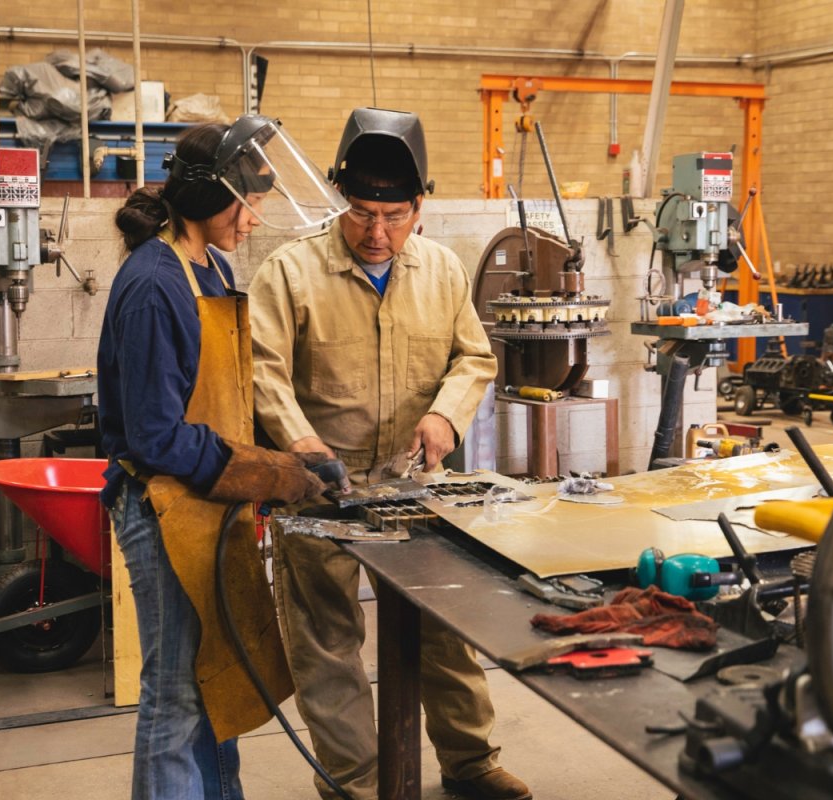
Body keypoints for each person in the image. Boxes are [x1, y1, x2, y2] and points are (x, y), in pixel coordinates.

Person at [250, 107, 532, 800]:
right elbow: (261, 369)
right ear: (342, 199)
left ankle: (469, 762)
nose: (377, 233)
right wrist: (299, 439)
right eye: (363, 213)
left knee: (443, 625)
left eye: (395, 215)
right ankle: (354, 779)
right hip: (321, 487)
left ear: (421, 208)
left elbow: (473, 358)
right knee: (326, 639)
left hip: (416, 484)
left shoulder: (440, 271)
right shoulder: (289, 273)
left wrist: (445, 416)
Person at [98, 116, 348, 800]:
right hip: (164, 507)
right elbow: (156, 435)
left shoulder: (210, 264)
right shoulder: (156, 283)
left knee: (216, 686)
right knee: (176, 696)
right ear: (211, 200)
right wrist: (269, 472)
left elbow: (221, 404)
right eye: (250, 201)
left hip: (207, 504)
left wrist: (287, 457)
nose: (257, 216)